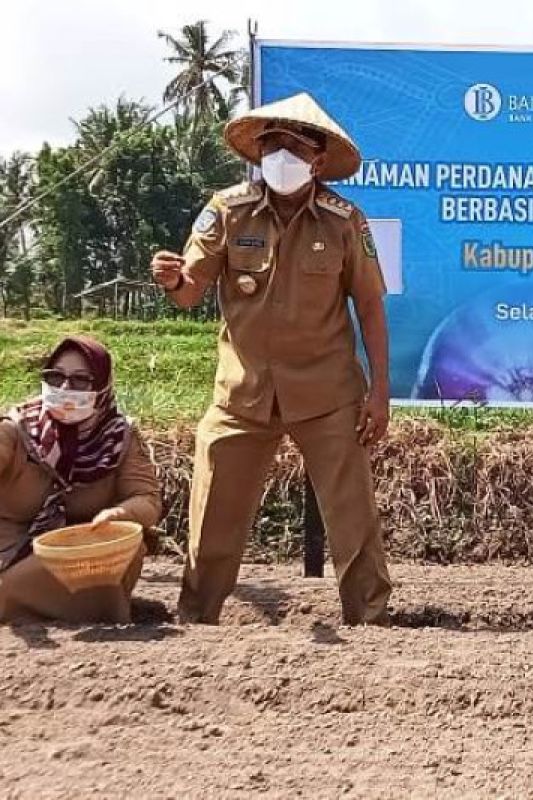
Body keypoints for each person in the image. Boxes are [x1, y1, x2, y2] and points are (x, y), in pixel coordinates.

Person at [149, 93, 393, 625]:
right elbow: (190, 289)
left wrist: (379, 393)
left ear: (319, 161)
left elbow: (371, 307)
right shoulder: (225, 211)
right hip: (242, 391)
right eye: (271, 145)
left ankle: (372, 622)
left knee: (353, 520)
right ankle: (198, 617)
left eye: (294, 146)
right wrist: (173, 280)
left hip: (328, 392)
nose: (281, 154)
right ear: (257, 153)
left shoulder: (345, 220)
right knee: (212, 516)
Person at [0, 336, 161, 623]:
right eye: (55, 377)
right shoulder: (18, 429)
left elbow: (146, 498)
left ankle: (95, 614)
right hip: (11, 550)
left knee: (131, 544)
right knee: (13, 585)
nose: (64, 389)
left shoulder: (119, 438)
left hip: (82, 549)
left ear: (101, 387)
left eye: (80, 380)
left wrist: (119, 514)